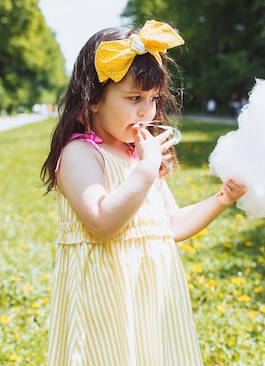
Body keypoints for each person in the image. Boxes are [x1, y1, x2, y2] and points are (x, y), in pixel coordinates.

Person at [40, 20, 247, 365]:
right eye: (133, 98)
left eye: (152, 99)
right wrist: (148, 168)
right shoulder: (82, 154)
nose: (146, 111)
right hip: (103, 302)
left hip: (149, 299)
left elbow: (173, 224)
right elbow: (102, 222)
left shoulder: (137, 156)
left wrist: (222, 198)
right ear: (93, 100)